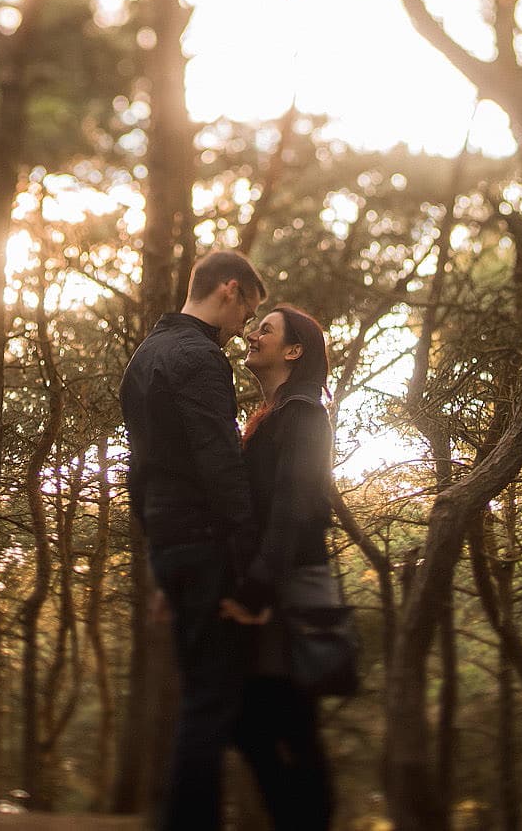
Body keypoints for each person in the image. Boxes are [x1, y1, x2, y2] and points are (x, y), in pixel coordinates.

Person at [118, 249, 267, 830]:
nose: (246, 327)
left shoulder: (145, 355)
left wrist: (158, 548)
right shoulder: (200, 358)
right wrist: (251, 561)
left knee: (210, 696)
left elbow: (140, 469)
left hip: (170, 542)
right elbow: (220, 464)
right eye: (248, 308)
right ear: (229, 290)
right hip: (205, 544)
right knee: (210, 700)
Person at [233, 304, 337, 831]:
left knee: (284, 725)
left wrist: (259, 588)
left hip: (287, 587)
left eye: (265, 330)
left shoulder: (303, 414)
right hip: (274, 583)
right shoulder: (274, 413)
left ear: (294, 351)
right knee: (263, 723)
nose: (252, 335)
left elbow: (294, 506)